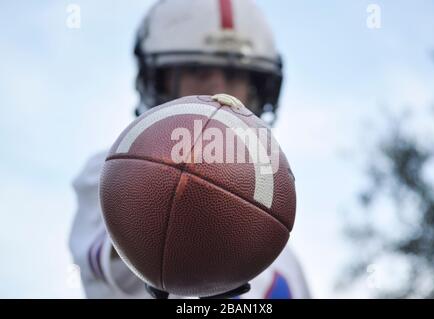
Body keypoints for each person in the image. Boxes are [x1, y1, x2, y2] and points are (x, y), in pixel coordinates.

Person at [69, 0, 310, 299]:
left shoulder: (286, 262)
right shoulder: (113, 168)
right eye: (198, 70)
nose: (219, 90)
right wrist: (161, 247)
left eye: (236, 75)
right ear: (160, 82)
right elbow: (119, 262)